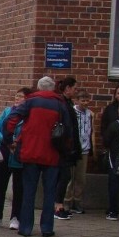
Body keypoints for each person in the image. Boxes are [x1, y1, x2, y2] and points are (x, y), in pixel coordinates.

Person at [5, 76, 75, 237]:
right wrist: (66, 150)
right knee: (50, 192)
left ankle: (26, 227)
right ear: (52, 89)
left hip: (31, 152)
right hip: (52, 154)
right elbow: (69, 130)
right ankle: (47, 227)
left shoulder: (30, 102)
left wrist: (9, 139)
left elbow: (12, 119)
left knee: (29, 191)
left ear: (38, 87)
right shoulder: (60, 104)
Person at [0, 87, 31, 230]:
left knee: (19, 187)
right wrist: (4, 139)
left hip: (20, 154)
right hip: (5, 152)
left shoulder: (29, 115)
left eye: (21, 97)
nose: (17, 99)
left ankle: (15, 217)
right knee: (0, 185)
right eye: (16, 96)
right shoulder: (7, 112)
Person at [53, 76, 81, 220]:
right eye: (75, 88)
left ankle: (58, 204)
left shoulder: (67, 103)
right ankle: (58, 206)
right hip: (63, 146)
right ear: (68, 88)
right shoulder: (62, 103)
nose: (76, 91)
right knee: (63, 176)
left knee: (65, 176)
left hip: (67, 145)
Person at [65, 89, 95, 214]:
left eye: (87, 100)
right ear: (77, 101)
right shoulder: (72, 112)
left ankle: (77, 201)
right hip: (73, 149)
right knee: (70, 177)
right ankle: (67, 201)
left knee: (81, 178)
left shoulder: (90, 114)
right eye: (83, 100)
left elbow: (92, 131)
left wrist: (93, 147)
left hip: (85, 149)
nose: (85, 103)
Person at [102, 102, 119, 221]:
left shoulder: (114, 125)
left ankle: (113, 210)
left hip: (116, 157)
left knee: (114, 183)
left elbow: (106, 141)